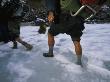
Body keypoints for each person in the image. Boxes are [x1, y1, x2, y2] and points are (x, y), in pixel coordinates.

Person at [43, 0, 99, 65]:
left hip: (65, 17)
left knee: (50, 33)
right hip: (79, 20)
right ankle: (79, 62)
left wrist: (51, 12)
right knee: (76, 41)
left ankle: (50, 53)